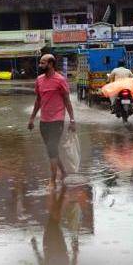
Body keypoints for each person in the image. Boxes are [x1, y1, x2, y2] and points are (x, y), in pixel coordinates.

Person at [28, 54, 76, 185]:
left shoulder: (60, 80)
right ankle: (64, 171)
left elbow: (67, 101)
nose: (40, 65)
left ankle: (52, 180)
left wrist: (72, 120)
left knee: (52, 147)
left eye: (43, 63)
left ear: (51, 64)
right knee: (51, 149)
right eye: (40, 63)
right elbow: (38, 100)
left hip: (57, 120)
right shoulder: (39, 80)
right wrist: (32, 118)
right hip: (44, 121)